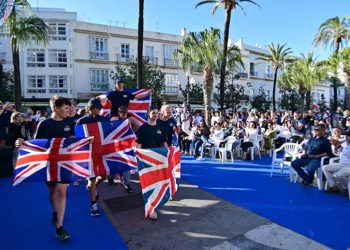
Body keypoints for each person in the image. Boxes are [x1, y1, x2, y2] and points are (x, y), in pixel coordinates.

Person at [18, 96, 73, 240]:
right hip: (49, 163)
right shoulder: (44, 124)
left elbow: (75, 141)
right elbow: (36, 144)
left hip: (65, 163)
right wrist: (22, 143)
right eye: (66, 108)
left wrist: (87, 142)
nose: (69, 111)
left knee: (62, 191)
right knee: (52, 190)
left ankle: (60, 227)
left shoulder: (70, 122)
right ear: (55, 108)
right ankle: (55, 212)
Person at [76, 97, 109, 217]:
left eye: (100, 108)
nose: (100, 110)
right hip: (89, 154)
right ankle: (93, 204)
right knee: (92, 179)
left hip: (101, 152)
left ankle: (93, 189)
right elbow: (77, 140)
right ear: (91, 108)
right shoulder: (81, 121)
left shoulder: (103, 119)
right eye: (98, 108)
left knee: (104, 175)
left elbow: (110, 133)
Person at [136, 107, 167, 220]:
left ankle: (154, 204)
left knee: (157, 184)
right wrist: (138, 155)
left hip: (158, 160)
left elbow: (164, 142)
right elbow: (138, 144)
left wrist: (167, 152)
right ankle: (151, 208)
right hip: (146, 161)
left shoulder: (159, 127)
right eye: (153, 113)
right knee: (149, 185)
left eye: (157, 113)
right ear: (148, 114)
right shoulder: (143, 128)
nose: (155, 115)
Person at [108, 106, 134, 193]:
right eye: (122, 113)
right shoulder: (114, 121)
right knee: (114, 162)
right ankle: (111, 177)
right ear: (119, 113)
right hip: (115, 145)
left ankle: (127, 183)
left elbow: (131, 132)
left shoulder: (128, 121)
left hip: (125, 146)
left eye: (125, 113)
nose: (124, 114)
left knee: (126, 164)